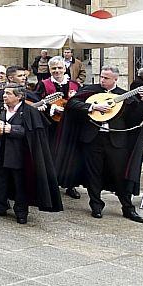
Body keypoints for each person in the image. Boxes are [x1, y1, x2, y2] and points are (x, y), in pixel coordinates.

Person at [56, 66, 143, 223]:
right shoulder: (91, 90)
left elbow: (136, 119)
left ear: (115, 79)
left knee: (120, 175)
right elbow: (72, 104)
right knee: (94, 173)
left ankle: (128, 208)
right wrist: (93, 107)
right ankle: (96, 206)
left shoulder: (123, 95)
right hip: (92, 139)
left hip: (116, 140)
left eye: (106, 78)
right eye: (101, 77)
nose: (102, 80)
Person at [0, 86, 62, 224]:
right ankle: (0, 206)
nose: (4, 96)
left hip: (18, 156)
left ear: (19, 97)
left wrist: (13, 130)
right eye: (4, 93)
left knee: (20, 184)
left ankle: (21, 212)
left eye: (8, 93)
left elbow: (34, 133)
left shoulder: (29, 111)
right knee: (0, 181)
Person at [41, 56, 83, 199]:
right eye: (54, 68)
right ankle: (52, 184)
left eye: (59, 68)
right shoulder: (44, 84)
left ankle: (71, 185)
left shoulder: (75, 85)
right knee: (52, 153)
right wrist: (53, 108)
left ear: (65, 69)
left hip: (71, 125)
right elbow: (38, 102)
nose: (57, 71)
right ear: (49, 70)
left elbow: (81, 102)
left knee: (70, 154)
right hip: (52, 124)